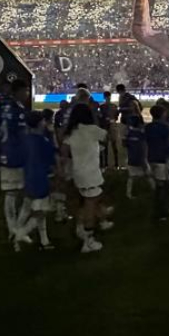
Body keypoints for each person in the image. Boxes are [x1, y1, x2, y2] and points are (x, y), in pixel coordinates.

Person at [64, 97, 110, 254]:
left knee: (85, 202)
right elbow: (106, 136)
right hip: (91, 174)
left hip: (79, 174)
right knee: (90, 204)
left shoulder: (73, 132)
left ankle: (80, 227)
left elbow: (65, 152)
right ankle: (88, 240)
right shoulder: (92, 130)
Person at [11, 110, 56, 251]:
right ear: (39, 123)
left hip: (28, 176)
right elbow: (51, 160)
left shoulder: (25, 139)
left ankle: (43, 240)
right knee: (41, 212)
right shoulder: (43, 141)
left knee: (26, 208)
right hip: (40, 179)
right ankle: (20, 234)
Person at [0, 79, 30, 244]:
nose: (27, 94)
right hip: (16, 155)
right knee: (22, 194)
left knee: (11, 194)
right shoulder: (18, 110)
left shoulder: (7, 107)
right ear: (18, 92)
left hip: (6, 153)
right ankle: (17, 229)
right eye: (25, 91)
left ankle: (13, 229)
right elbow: (23, 136)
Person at [144, 105, 169, 221]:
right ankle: (161, 212)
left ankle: (159, 209)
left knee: (158, 184)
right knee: (162, 186)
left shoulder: (148, 127)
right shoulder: (165, 127)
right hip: (162, 159)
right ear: (162, 114)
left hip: (151, 158)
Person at [124, 113, 148, 199]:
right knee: (148, 174)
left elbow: (125, 144)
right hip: (140, 158)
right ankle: (152, 191)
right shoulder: (141, 133)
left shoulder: (129, 134)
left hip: (131, 158)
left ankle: (129, 193)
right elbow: (143, 146)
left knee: (131, 177)